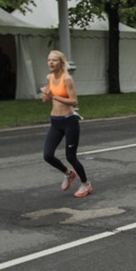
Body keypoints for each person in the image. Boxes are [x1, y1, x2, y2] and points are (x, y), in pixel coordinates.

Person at [40, 50, 92, 197]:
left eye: (54, 60)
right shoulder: (49, 77)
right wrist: (45, 94)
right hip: (55, 122)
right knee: (48, 155)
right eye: (49, 60)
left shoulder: (67, 79)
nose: (51, 62)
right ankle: (68, 173)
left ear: (61, 63)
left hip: (69, 122)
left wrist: (53, 96)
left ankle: (85, 184)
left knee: (71, 156)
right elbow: (46, 99)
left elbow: (74, 101)